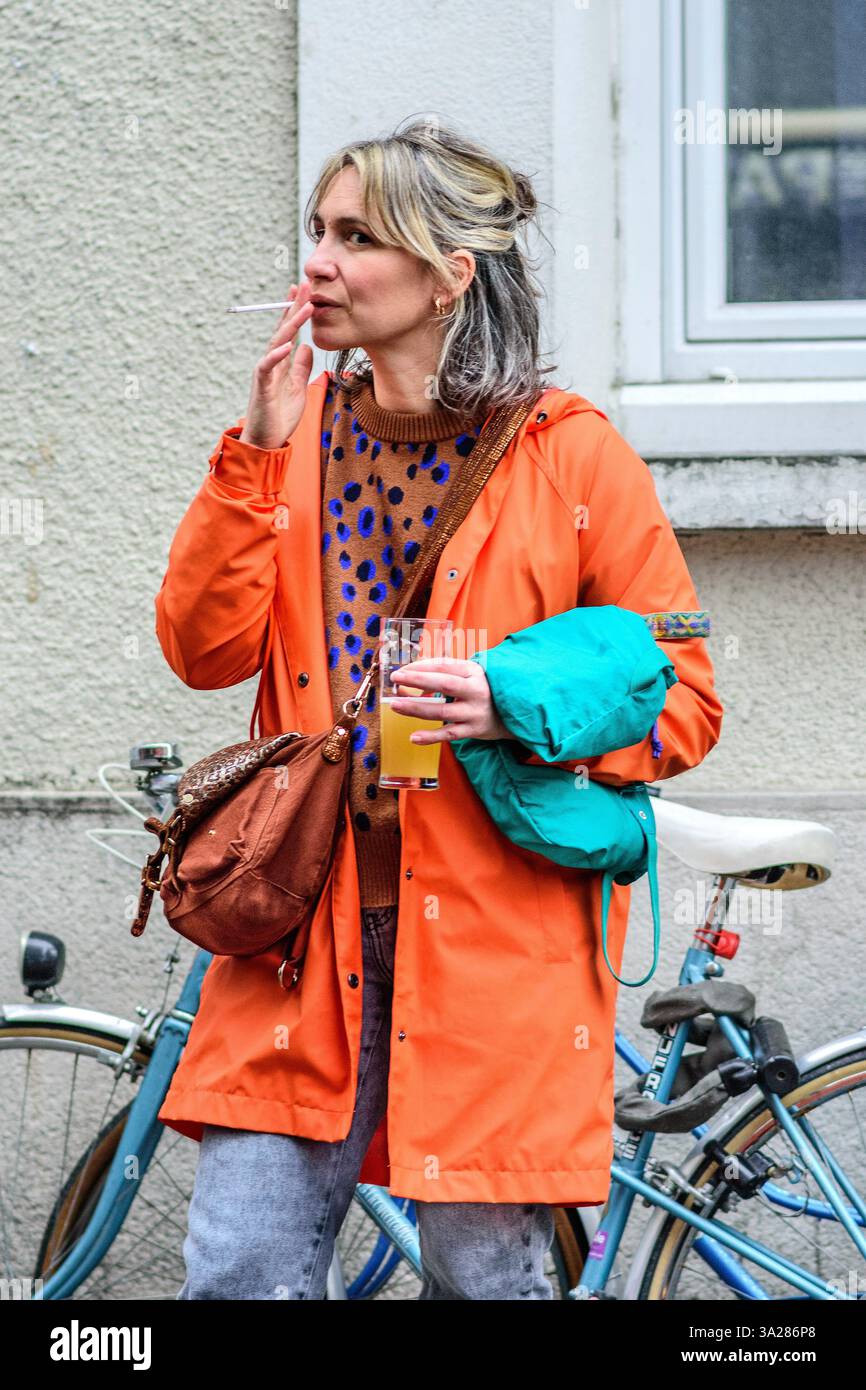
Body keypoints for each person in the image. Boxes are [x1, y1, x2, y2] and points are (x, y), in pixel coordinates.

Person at [154, 116, 724, 1300]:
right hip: (296, 937)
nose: (316, 260)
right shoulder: (293, 439)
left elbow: (682, 701)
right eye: (315, 230)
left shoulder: (570, 456)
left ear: (447, 273)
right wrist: (251, 460)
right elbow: (203, 651)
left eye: (355, 236)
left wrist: (513, 699)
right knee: (239, 1270)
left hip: (492, 943)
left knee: (485, 1282)